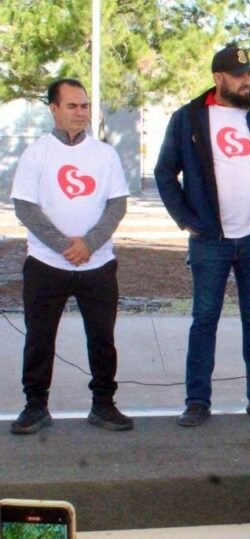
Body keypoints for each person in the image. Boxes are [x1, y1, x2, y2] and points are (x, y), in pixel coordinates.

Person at [154, 46, 250, 427]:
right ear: (219, 78)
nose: (246, 80)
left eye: (249, 73)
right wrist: (186, 218)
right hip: (209, 240)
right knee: (204, 319)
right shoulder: (188, 119)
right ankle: (197, 400)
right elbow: (165, 173)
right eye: (238, 75)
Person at [10, 78, 132, 434]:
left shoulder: (104, 154)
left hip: (97, 265)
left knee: (102, 338)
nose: (81, 113)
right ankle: (35, 405)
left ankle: (104, 404)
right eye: (72, 106)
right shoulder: (37, 153)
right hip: (47, 265)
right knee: (39, 337)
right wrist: (65, 245)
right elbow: (25, 208)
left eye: (84, 106)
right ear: (53, 108)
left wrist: (89, 244)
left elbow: (116, 205)